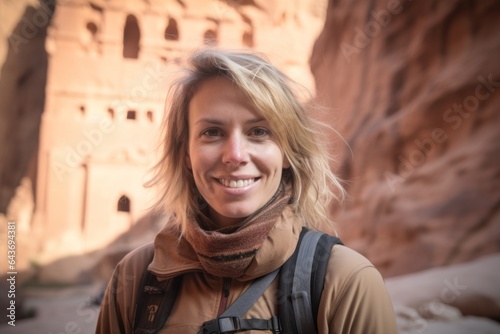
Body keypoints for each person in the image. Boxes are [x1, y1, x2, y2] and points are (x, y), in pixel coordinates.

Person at [96, 48, 397, 333]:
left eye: (259, 132)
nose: (235, 155)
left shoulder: (346, 283)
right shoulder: (135, 279)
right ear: (186, 153)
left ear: (287, 152)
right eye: (212, 132)